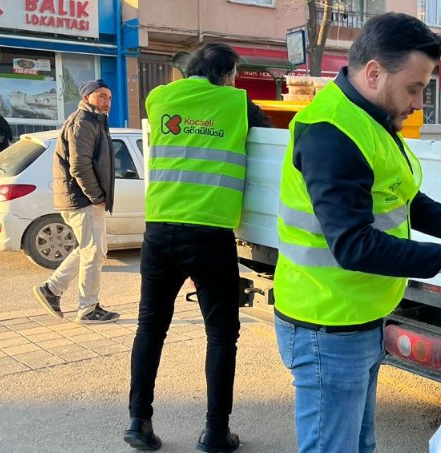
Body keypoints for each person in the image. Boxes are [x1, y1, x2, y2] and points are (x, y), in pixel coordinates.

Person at [273, 12, 441, 453]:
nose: (419, 101)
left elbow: (399, 194)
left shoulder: (368, 118)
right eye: (414, 88)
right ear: (375, 73)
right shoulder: (332, 133)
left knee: (359, 444)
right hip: (326, 324)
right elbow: (353, 245)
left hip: (355, 317)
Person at [124, 42, 271, 453]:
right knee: (222, 335)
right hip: (209, 235)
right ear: (227, 74)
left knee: (150, 327)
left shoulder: (158, 97)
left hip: (159, 231)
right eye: (234, 75)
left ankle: (139, 422)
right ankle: (215, 433)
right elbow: (271, 145)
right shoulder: (238, 104)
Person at [32, 80, 120, 324]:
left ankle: (52, 289)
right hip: (83, 199)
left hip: (83, 199)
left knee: (91, 249)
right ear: (87, 97)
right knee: (93, 252)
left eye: (110, 97)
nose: (107, 101)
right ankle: (88, 308)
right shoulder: (82, 122)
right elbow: (79, 166)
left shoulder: (93, 121)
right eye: (102, 96)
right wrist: (96, 196)